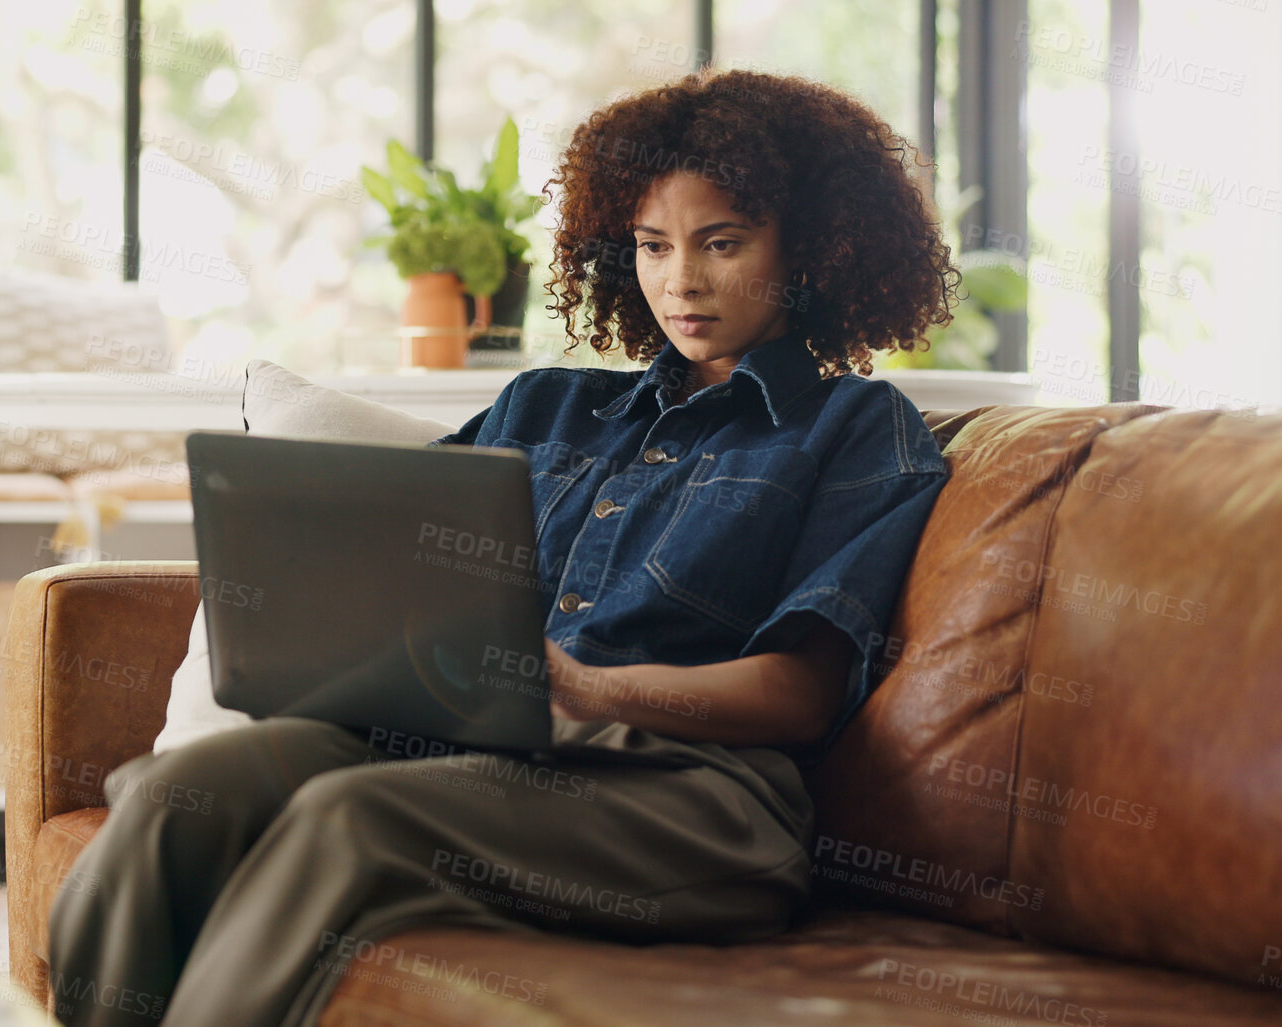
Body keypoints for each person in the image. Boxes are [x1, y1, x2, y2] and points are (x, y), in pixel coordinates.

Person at [48, 65, 964, 1027]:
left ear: (813, 249)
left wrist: (586, 686)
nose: (680, 280)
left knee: (346, 819)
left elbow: (802, 693)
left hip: (693, 799)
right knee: (183, 790)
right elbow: (390, 555)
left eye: (721, 244)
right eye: (653, 246)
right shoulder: (544, 404)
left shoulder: (857, 429)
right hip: (483, 756)